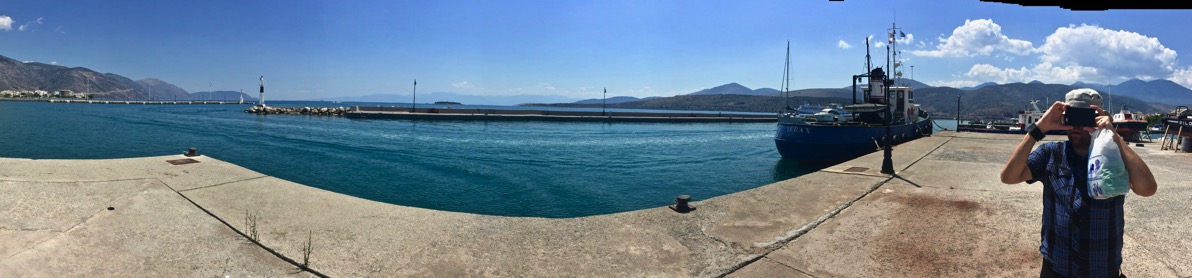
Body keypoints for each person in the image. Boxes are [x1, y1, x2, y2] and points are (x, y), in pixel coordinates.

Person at [999, 88, 1158, 278]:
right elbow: (1008, 177)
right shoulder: (1051, 153)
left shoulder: (1115, 158)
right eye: (1072, 117)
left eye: (1084, 118)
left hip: (1101, 271)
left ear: (1098, 119)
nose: (1076, 126)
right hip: (1055, 270)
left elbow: (1148, 189)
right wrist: (1039, 129)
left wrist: (1113, 134)